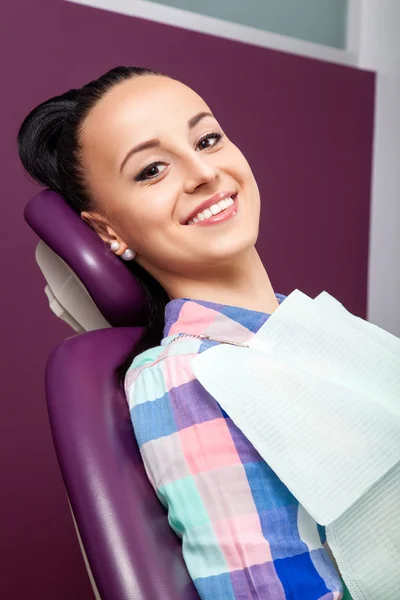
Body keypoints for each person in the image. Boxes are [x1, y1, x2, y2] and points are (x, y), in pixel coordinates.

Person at [18, 66, 345, 599]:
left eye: (208, 139)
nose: (203, 172)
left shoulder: (316, 328)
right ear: (108, 230)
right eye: (151, 170)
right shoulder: (191, 379)